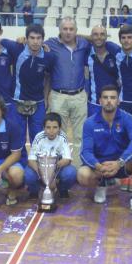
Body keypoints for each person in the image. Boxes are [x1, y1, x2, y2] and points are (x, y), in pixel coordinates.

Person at [78, 85, 132, 215]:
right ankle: (101, 184)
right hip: (101, 168)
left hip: (122, 164)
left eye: (113, 97)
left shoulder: (127, 118)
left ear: (118, 101)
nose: (109, 101)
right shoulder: (90, 123)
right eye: (105, 97)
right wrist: (98, 166)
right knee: (82, 174)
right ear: (100, 101)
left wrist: (120, 162)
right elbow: (85, 152)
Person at [1, 24, 55, 151]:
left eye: (39, 38)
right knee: (17, 137)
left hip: (38, 102)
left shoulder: (49, 57)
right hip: (17, 101)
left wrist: (46, 98)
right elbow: (1, 41)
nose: (35, 41)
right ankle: (20, 161)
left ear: (43, 40)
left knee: (38, 137)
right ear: (26, 39)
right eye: (32, 38)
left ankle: (36, 161)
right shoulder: (16, 49)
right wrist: (18, 39)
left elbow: (48, 78)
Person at [45, 17, 91, 166]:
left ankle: (77, 168)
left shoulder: (84, 44)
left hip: (79, 96)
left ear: (76, 31)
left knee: (80, 135)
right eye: (65, 29)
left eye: (71, 29)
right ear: (59, 30)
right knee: (58, 134)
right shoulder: (50, 44)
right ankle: (59, 168)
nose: (68, 32)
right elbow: (34, 44)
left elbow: (96, 39)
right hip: (58, 96)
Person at [24, 112, 77, 199]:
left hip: (56, 169)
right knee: (28, 174)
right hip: (40, 168)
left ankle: (62, 189)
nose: (51, 131)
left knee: (71, 172)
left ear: (59, 128)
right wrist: (43, 175)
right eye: (48, 127)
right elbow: (31, 160)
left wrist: (52, 176)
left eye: (55, 127)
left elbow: (67, 159)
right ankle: (35, 190)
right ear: (43, 128)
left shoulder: (62, 137)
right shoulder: (39, 137)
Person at [85, 25, 119, 118]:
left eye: (102, 34)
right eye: (95, 34)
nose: (99, 37)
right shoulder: (87, 53)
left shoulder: (115, 53)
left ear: (106, 36)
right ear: (91, 37)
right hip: (94, 104)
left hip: (113, 104)